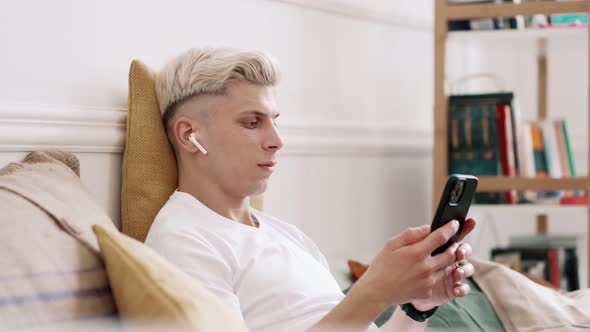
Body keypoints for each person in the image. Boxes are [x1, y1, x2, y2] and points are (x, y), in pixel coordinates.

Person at [145, 48, 477, 332]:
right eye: (252, 122)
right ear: (190, 135)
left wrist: (416, 307)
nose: (277, 141)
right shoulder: (182, 242)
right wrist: (375, 290)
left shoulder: (285, 235)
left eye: (275, 120)